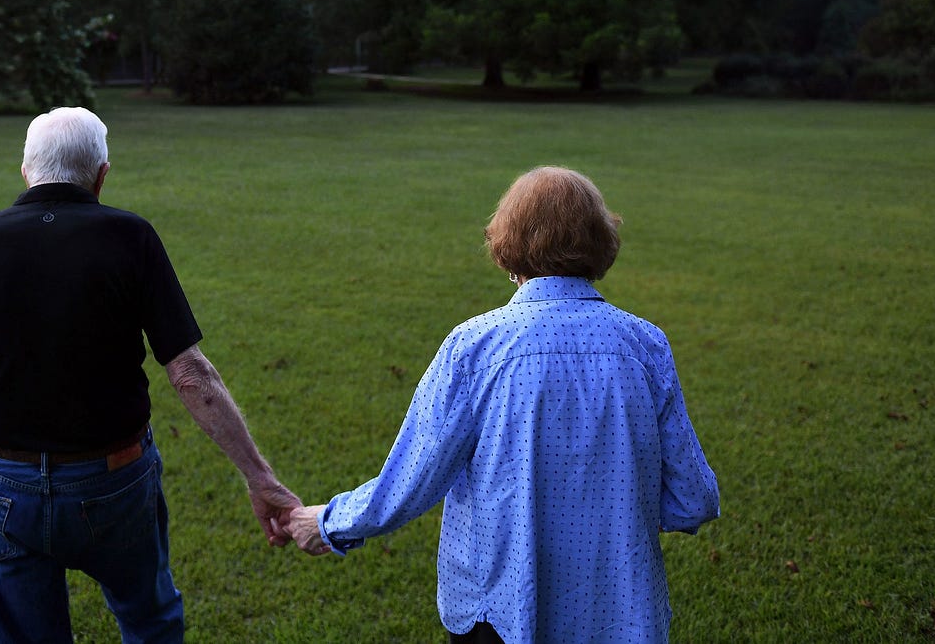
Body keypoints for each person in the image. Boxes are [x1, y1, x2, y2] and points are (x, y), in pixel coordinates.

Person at [0, 106, 299, 644]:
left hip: (0, 486)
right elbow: (190, 375)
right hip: (113, 481)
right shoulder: (130, 236)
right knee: (149, 622)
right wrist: (260, 477)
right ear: (101, 174)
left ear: (25, 171)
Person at [286, 166, 719, 644]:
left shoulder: (474, 347)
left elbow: (414, 477)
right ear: (600, 243)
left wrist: (328, 523)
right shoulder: (645, 345)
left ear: (508, 244)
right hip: (619, 614)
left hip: (501, 613)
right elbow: (693, 498)